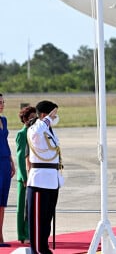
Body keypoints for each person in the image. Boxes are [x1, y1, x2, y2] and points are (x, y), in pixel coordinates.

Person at [26, 100, 63, 254]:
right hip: (39, 181)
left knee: (46, 221)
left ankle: (44, 249)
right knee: (37, 222)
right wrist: (47, 118)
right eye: (53, 114)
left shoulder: (48, 131)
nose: (55, 117)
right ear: (43, 115)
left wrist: (49, 119)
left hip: (52, 181)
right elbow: (35, 133)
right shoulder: (35, 129)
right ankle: (38, 250)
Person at [15, 106, 37, 244]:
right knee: (21, 207)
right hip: (24, 177)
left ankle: (29, 232)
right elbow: (20, 156)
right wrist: (24, 176)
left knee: (30, 207)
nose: (34, 120)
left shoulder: (33, 133)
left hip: (33, 175)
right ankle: (21, 234)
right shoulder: (21, 134)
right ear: (25, 119)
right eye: (31, 117)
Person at [0, 93, 16, 247]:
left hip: (5, 161)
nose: (2, 104)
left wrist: (11, 160)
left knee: (2, 201)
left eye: (3, 102)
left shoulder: (3, 120)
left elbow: (5, 141)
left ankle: (0, 235)